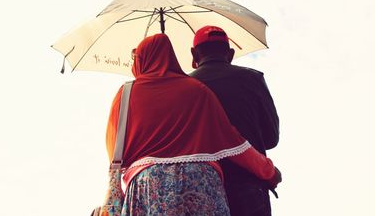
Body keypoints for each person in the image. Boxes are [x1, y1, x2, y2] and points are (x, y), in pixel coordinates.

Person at [105, 33, 281, 215]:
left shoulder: (125, 95)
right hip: (200, 183)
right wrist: (268, 171)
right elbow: (231, 140)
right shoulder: (197, 90)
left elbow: (115, 153)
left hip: (147, 188)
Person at [189, 25, 280, 216]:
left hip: (202, 186)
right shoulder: (253, 78)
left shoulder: (186, 86)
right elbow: (271, 138)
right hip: (251, 185)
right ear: (230, 54)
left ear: (193, 55)